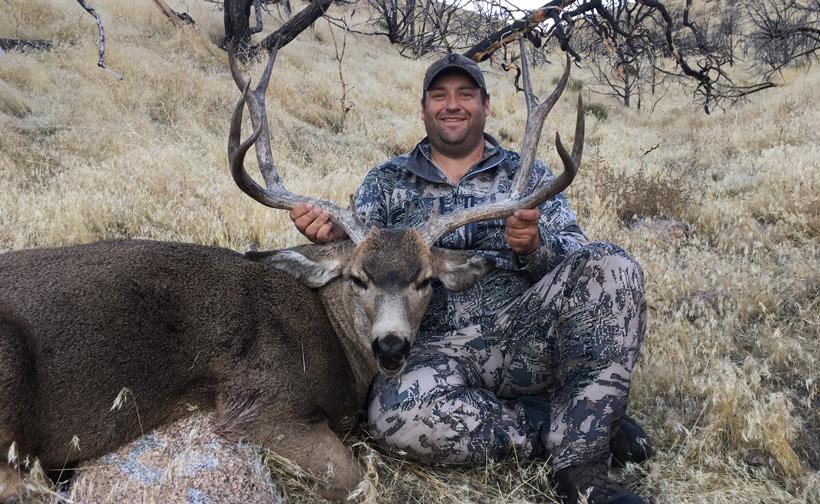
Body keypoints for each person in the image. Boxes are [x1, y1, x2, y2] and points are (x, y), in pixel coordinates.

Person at [290, 53, 651, 504]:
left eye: (465, 94)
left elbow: (581, 257)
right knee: (395, 420)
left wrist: (536, 246)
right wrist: (336, 236)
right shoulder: (385, 183)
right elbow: (365, 259)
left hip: (527, 336)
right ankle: (567, 422)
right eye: (439, 96)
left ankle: (583, 468)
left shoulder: (527, 176)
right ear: (423, 108)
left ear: (486, 105)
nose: (452, 105)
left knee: (613, 267)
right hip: (430, 351)